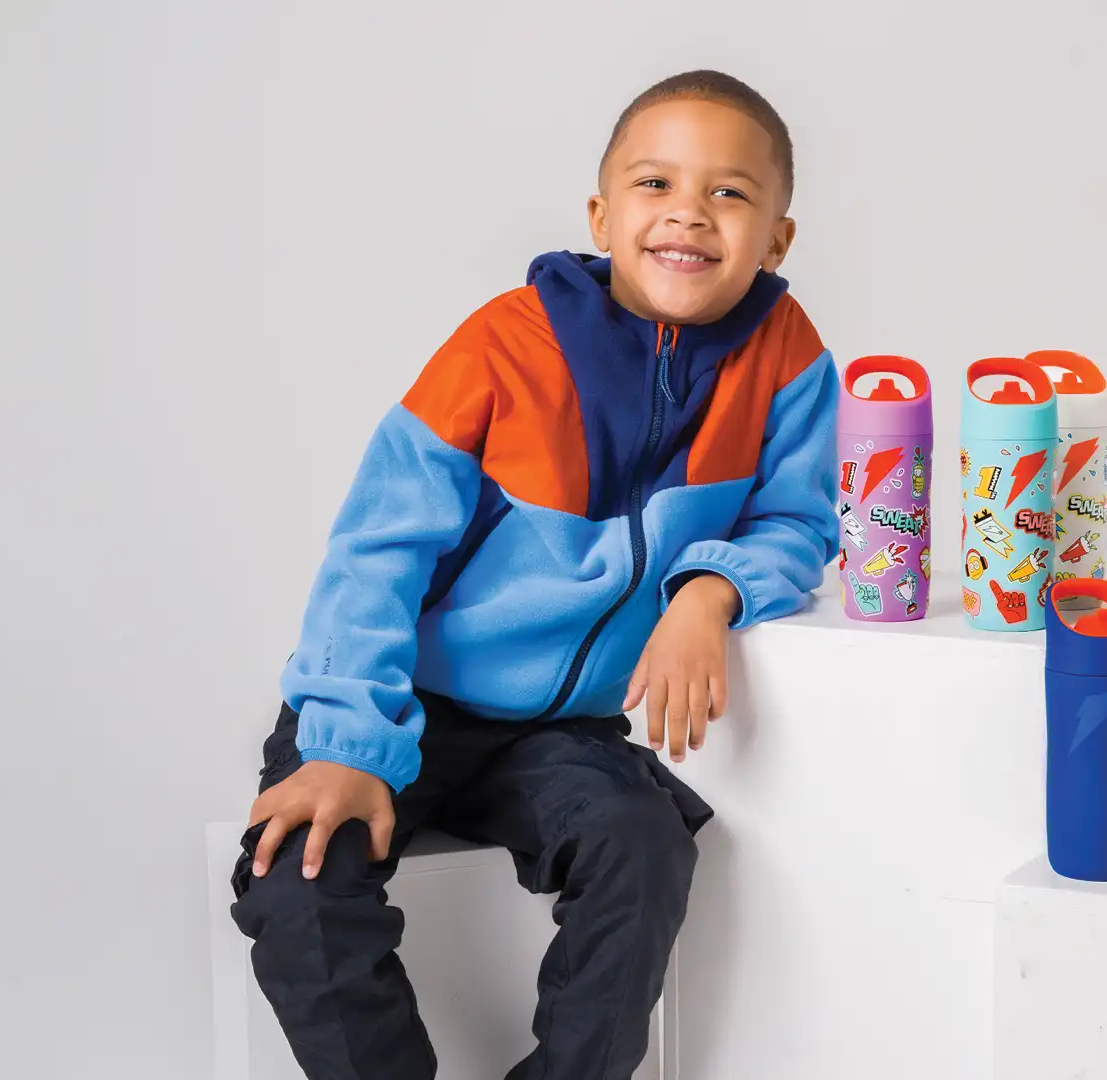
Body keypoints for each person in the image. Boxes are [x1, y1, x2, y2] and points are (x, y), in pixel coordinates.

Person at [228, 69, 839, 1080]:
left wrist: (708, 591)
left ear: (777, 238)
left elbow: (799, 521)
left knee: (645, 846)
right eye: (654, 183)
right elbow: (379, 548)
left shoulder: (788, 356)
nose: (689, 211)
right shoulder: (505, 344)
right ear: (602, 216)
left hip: (554, 737)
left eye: (729, 193)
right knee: (294, 882)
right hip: (399, 698)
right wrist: (345, 741)